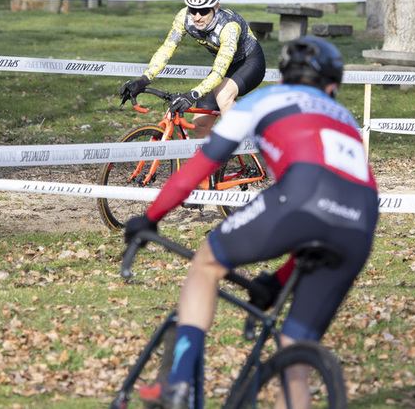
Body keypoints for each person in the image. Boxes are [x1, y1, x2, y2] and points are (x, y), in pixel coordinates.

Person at [124, 37, 379, 409]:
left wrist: (150, 217)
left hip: (300, 199)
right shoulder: (345, 120)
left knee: (206, 264)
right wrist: (277, 282)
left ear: (285, 74)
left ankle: (177, 386)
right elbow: (333, 219)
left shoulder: (265, 99)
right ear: (332, 86)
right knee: (295, 354)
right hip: (361, 225)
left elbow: (199, 167)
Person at [119, 0, 266, 138]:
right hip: (224, 63)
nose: (197, 16)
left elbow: (218, 72)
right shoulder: (184, 17)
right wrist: (144, 79)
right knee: (200, 124)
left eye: (203, 11)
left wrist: (193, 94)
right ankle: (209, 162)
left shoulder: (229, 27)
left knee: (223, 96)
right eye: (192, 10)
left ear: (215, 7)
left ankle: (240, 143)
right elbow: (167, 49)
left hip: (250, 62)